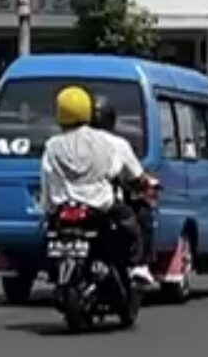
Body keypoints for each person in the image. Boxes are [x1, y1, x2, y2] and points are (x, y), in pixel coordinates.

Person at [41, 85, 156, 287]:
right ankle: (139, 265)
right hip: (100, 203)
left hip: (63, 205)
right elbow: (133, 175)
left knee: (48, 232)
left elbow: (47, 177)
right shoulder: (110, 142)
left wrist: (49, 207)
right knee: (133, 220)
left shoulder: (52, 144)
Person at [93, 102, 157, 267]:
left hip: (68, 200)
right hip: (105, 203)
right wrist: (148, 183)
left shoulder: (70, 142)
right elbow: (137, 176)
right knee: (141, 216)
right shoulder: (118, 144)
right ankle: (139, 264)